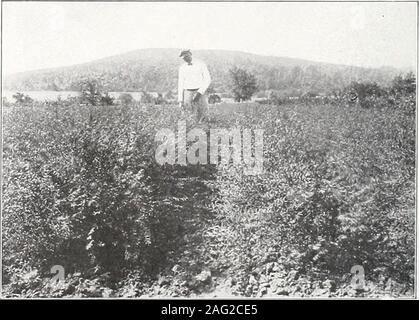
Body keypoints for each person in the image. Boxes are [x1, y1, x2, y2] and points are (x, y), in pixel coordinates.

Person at [178, 50, 211, 122]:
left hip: (200, 92)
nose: (185, 58)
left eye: (186, 56)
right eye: (183, 57)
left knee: (203, 114)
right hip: (187, 93)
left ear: (190, 54)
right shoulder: (182, 67)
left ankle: (205, 131)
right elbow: (180, 84)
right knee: (189, 115)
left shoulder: (201, 64)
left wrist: (199, 93)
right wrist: (180, 100)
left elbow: (208, 79)